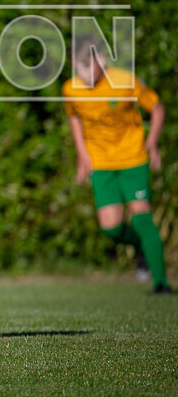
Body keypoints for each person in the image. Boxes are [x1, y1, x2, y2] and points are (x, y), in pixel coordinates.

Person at [63, 35, 170, 294]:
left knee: (141, 216)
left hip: (133, 158)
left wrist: (152, 141)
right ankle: (141, 247)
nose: (84, 74)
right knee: (110, 227)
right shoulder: (71, 89)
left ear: (101, 59)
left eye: (87, 67)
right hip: (101, 163)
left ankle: (161, 283)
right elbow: (74, 117)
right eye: (78, 68)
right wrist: (82, 154)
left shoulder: (125, 81)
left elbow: (156, 108)